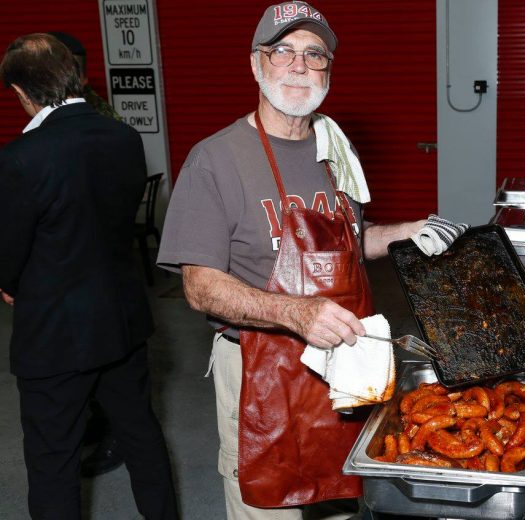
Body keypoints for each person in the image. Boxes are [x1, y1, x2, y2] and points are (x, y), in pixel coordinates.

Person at [157, 2, 464, 518]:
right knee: (268, 500)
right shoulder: (217, 158)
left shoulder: (336, 149)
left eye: (314, 54)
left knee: (341, 494)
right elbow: (200, 286)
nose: (299, 65)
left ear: (328, 70)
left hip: (342, 359)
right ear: (257, 64)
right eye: (283, 52)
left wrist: (404, 234)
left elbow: (347, 240)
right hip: (260, 364)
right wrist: (296, 313)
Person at [0, 33, 178, 519]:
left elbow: (8, 252)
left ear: (20, 92)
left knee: (52, 459)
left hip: (56, 336)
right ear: (75, 75)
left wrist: (12, 284)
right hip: (120, 320)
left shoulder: (20, 158)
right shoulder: (123, 137)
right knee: (141, 434)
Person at [50, 30, 126, 479]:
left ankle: (115, 432)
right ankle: (97, 422)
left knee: (111, 351)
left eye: (77, 63)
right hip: (75, 250)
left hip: (99, 247)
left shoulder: (91, 106)